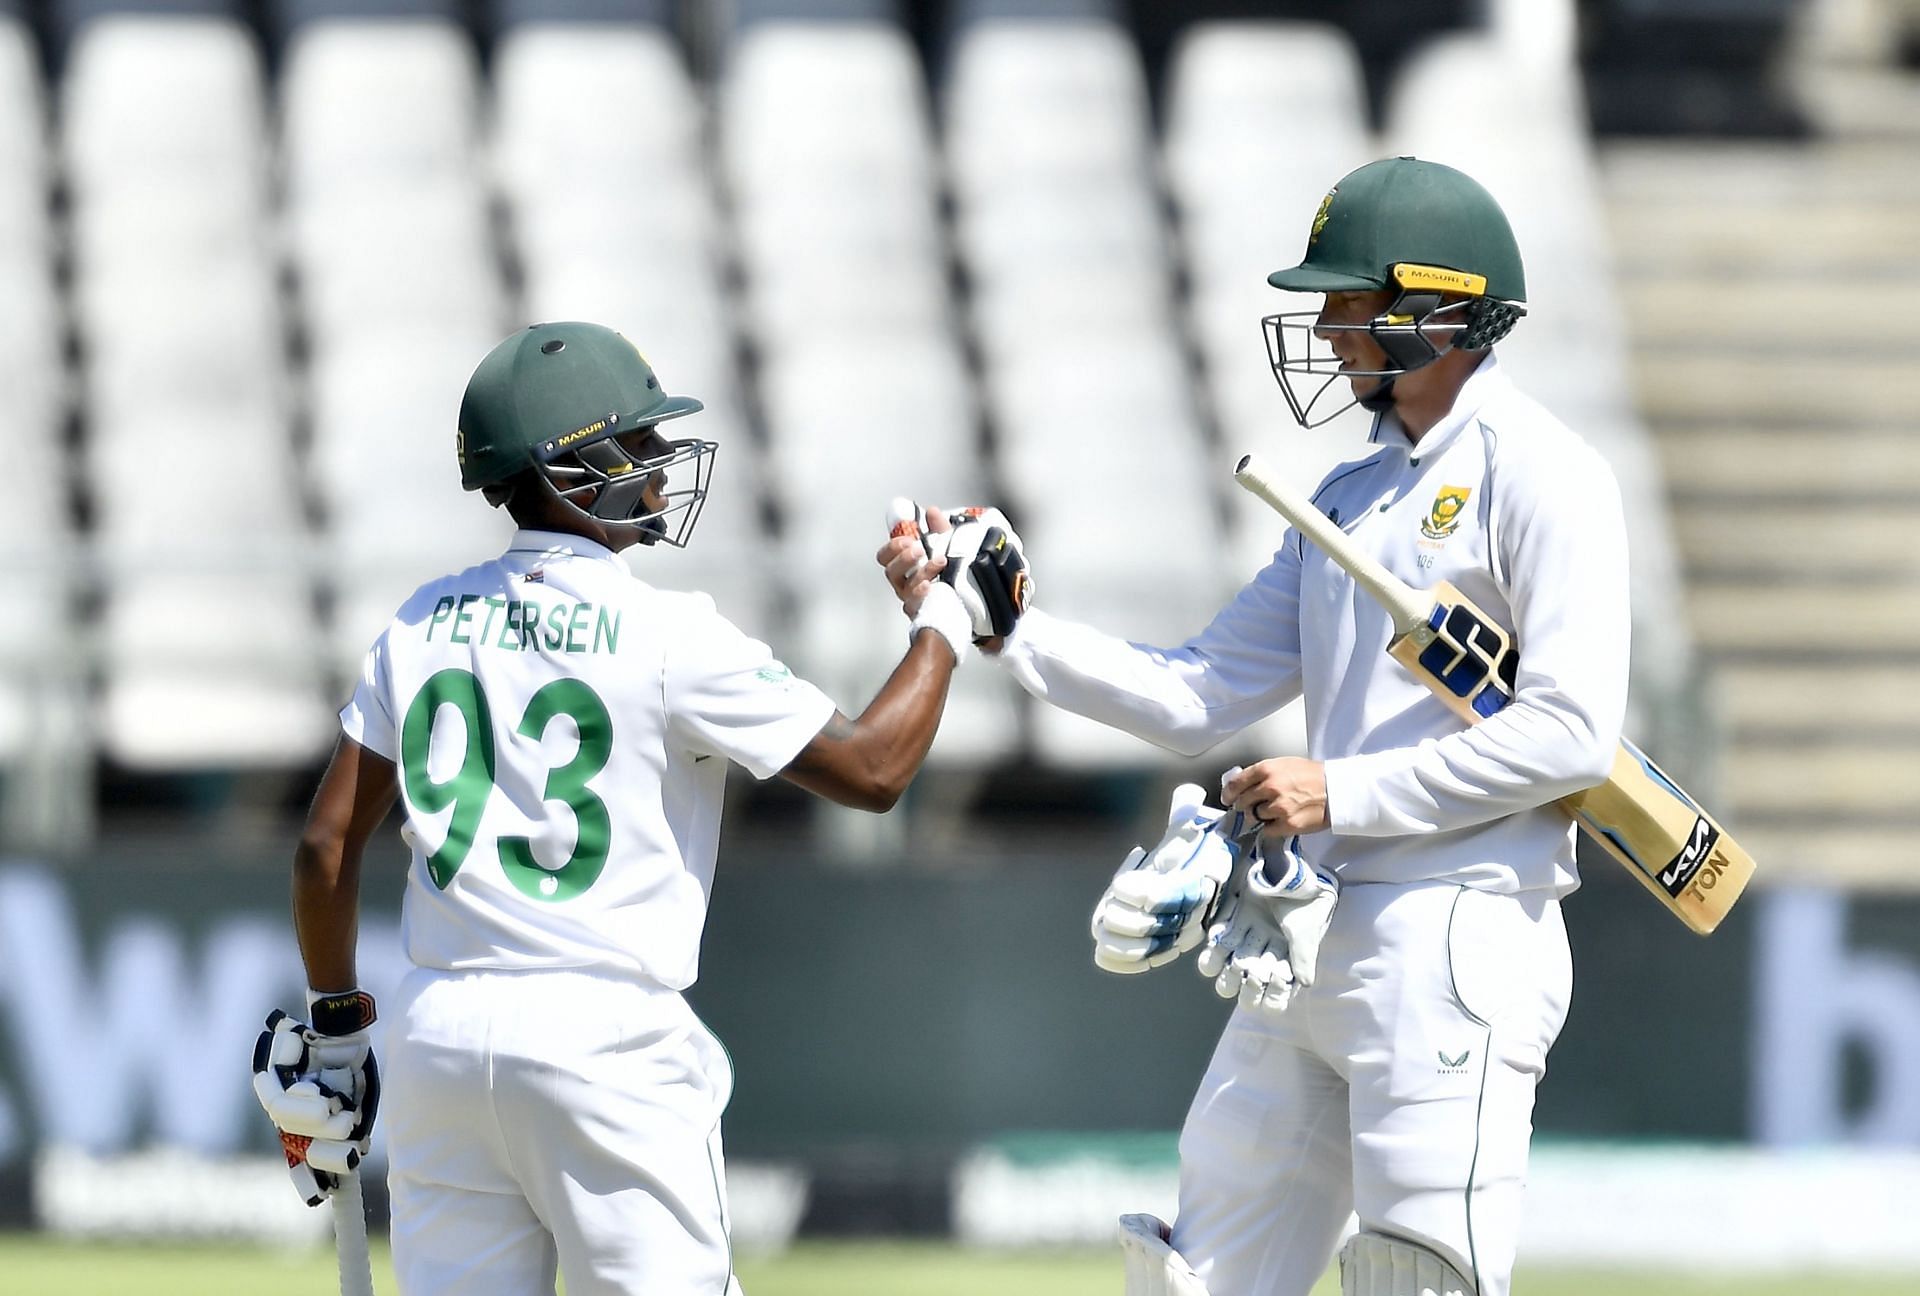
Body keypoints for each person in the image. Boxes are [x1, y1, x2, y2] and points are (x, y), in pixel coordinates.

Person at [879, 157, 1629, 1296]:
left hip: (1461, 933)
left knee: (1422, 1281)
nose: (1327, 328)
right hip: (1313, 938)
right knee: (1201, 1273)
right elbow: (1197, 694)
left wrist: (1344, 793)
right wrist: (1007, 629)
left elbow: (1572, 736)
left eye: (1350, 300)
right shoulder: (1346, 494)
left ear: (1435, 308)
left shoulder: (1547, 478)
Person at [251, 321, 1026, 1295]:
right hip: (603, 1039)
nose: (661, 467)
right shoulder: (670, 633)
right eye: (640, 446)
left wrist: (334, 1031)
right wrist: (946, 619)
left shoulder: (419, 620)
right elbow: (875, 771)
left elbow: (324, 848)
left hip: (437, 1031)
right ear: (576, 464)